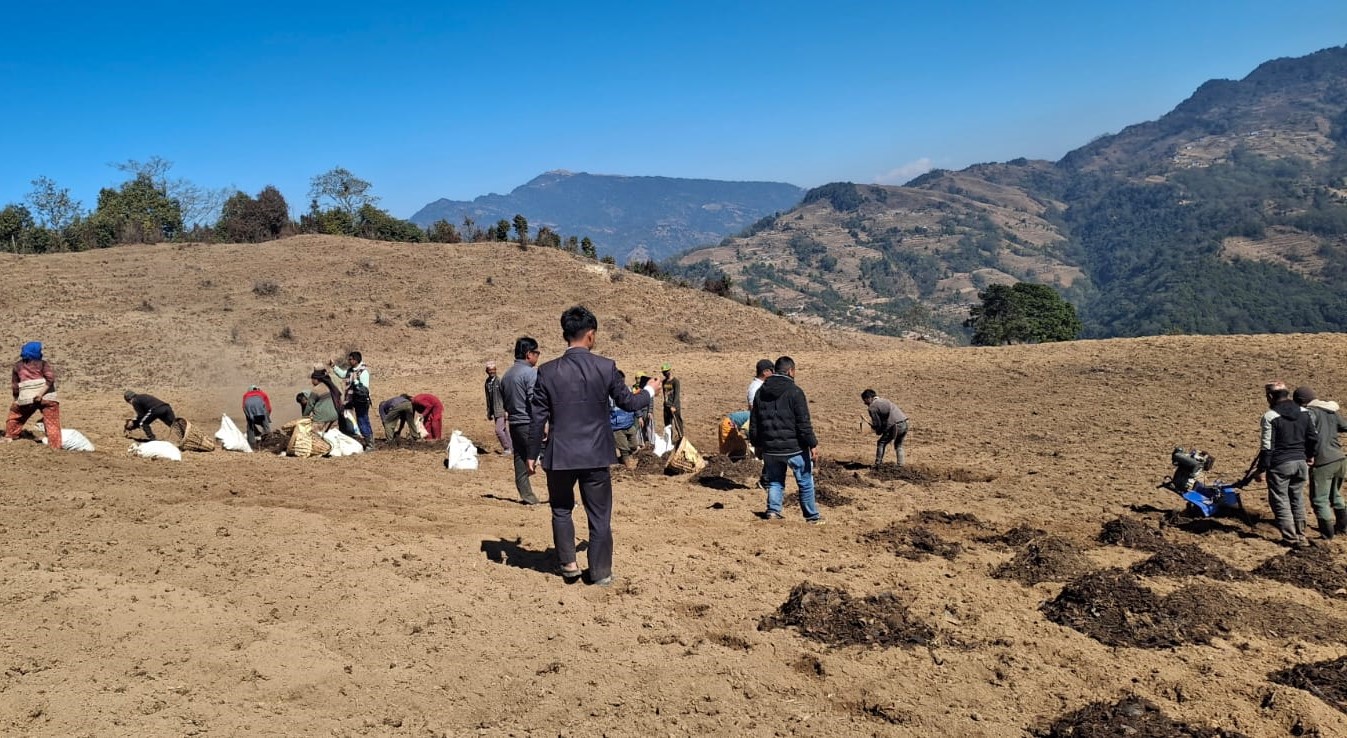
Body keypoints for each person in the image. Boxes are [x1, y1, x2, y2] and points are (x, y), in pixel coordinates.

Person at [528, 306, 661, 585]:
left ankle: (569, 565)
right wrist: (649, 390)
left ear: (566, 335)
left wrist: (531, 454)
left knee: (561, 510)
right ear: (591, 335)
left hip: (560, 455)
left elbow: (537, 417)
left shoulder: (547, 371)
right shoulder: (606, 367)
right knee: (599, 516)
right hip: (596, 454)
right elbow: (628, 403)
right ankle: (600, 573)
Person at [750, 356, 822, 524]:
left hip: (770, 448)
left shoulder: (760, 392)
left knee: (775, 481)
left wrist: (757, 444)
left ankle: (773, 511)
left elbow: (754, 422)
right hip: (794, 447)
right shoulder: (795, 392)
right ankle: (811, 517)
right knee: (805, 481)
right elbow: (803, 422)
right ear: (791, 371)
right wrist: (812, 444)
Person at [1258, 385, 1318, 548]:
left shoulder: (1270, 416)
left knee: (1280, 500)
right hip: (1301, 463)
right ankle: (1301, 535)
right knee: (1297, 498)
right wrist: (1310, 455)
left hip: (1280, 464)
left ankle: (1290, 538)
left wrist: (1262, 469)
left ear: (1270, 396)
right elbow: (1312, 437)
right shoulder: (1305, 413)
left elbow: (1267, 447)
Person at [1296, 386, 1347, 539]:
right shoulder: (1330, 410)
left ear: (1301, 402)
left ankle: (1327, 534)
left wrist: (1309, 454)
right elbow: (1344, 426)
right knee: (1335, 495)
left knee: (1319, 499)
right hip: (1339, 458)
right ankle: (1342, 527)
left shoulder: (1309, 413)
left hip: (1323, 461)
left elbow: (1309, 434)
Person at [502, 337, 543, 505]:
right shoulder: (530, 373)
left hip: (514, 423)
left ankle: (527, 496)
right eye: (537, 353)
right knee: (548, 456)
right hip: (529, 423)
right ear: (529, 354)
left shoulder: (507, 375)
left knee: (520, 458)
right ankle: (560, 496)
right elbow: (535, 401)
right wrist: (543, 423)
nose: (538, 356)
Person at [5, 342, 61, 449]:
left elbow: (15, 386)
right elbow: (50, 379)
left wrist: (16, 399)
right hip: (48, 398)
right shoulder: (43, 364)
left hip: (26, 398)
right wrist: (40, 394)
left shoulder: (18, 366)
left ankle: (10, 436)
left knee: (15, 416)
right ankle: (55, 446)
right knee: (52, 424)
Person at [331, 351, 373, 450]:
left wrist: (355, 381)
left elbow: (364, 388)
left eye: (350, 359)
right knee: (345, 417)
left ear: (356, 360)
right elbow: (342, 374)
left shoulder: (363, 372)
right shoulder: (351, 370)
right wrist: (334, 366)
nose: (349, 361)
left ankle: (370, 444)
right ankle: (349, 438)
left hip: (361, 401)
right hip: (351, 399)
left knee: (363, 421)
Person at [862, 389, 910, 467]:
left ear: (869, 398)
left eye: (865, 400)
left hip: (896, 425)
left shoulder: (872, 407)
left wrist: (876, 430)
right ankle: (901, 465)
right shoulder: (884, 400)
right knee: (899, 445)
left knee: (881, 442)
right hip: (905, 423)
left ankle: (878, 464)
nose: (865, 403)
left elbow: (878, 424)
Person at [310, 367, 359, 439]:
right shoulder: (330, 382)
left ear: (316, 379)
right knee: (334, 434)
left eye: (312, 379)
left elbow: (310, 405)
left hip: (326, 416)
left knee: (316, 434)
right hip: (337, 411)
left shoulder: (319, 388)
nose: (311, 381)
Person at [611, 371, 639, 469]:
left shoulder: (629, 390)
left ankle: (624, 459)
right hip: (617, 426)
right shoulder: (609, 394)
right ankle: (629, 467)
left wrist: (639, 417)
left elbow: (634, 404)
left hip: (629, 424)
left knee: (634, 445)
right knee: (623, 449)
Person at [484, 361, 510, 452]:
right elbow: (488, 398)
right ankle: (511, 448)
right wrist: (489, 412)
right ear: (486, 371)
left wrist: (507, 410)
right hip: (495, 410)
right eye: (490, 370)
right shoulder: (487, 382)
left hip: (501, 410)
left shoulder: (499, 381)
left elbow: (506, 396)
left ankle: (507, 448)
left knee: (499, 430)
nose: (492, 372)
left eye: (493, 370)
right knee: (504, 430)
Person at [242, 385, 272, 450]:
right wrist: (266, 418)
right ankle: (266, 443)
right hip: (260, 407)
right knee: (266, 426)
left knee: (250, 428)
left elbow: (244, 407)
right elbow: (268, 408)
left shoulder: (246, 394)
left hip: (248, 407)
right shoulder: (262, 393)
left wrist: (249, 418)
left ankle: (252, 445)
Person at [662, 362, 682, 444]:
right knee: (668, 426)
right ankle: (668, 442)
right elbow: (664, 393)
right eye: (663, 372)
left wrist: (674, 406)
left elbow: (677, 395)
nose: (664, 373)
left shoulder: (675, 381)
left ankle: (681, 438)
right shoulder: (664, 382)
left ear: (669, 371)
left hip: (674, 407)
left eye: (666, 371)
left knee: (678, 424)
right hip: (666, 407)